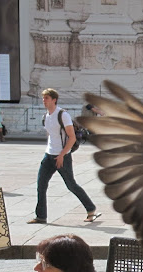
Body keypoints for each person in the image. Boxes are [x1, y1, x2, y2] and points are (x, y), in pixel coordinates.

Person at [27, 88, 100, 224]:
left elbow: (71, 137)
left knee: (71, 185)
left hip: (62, 156)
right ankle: (41, 216)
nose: (44, 101)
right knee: (41, 184)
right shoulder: (46, 116)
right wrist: (50, 149)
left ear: (54, 100)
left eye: (47, 98)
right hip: (49, 155)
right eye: (43, 98)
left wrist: (61, 155)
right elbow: (51, 135)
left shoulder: (63, 115)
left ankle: (91, 209)